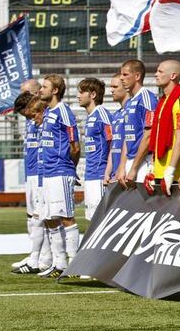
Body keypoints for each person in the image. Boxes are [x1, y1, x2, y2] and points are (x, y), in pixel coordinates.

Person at [36, 74, 81, 278]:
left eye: (44, 87)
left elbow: (75, 145)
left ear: (55, 90)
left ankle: (75, 263)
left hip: (60, 172)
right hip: (47, 174)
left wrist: (69, 167)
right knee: (49, 218)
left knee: (66, 217)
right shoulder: (46, 112)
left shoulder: (64, 111)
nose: (40, 90)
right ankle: (59, 263)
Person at [11, 93, 50, 274]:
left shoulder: (43, 117)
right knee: (34, 218)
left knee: (42, 217)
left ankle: (42, 259)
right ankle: (39, 256)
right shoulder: (31, 121)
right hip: (31, 173)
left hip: (40, 173)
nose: (25, 116)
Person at [146, 60, 180, 196]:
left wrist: (170, 171)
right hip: (159, 173)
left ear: (172, 76)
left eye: (160, 71)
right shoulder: (162, 101)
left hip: (174, 176)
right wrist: (152, 169)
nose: (156, 74)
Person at [116, 59, 158, 188]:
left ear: (137, 76)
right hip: (130, 162)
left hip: (144, 162)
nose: (121, 78)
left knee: (145, 205)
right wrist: (122, 167)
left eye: (125, 74)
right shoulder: (129, 102)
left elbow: (149, 134)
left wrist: (134, 167)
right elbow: (126, 137)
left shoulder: (147, 98)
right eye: (121, 74)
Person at [77, 78, 112, 220]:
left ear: (92, 95)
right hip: (90, 175)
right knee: (92, 219)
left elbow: (113, 143)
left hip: (100, 175)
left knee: (101, 220)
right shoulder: (90, 117)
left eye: (81, 92)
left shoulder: (102, 114)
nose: (78, 96)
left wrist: (108, 172)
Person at [104, 75, 128, 186]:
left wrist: (121, 169)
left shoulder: (132, 111)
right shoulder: (116, 115)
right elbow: (113, 147)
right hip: (115, 175)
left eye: (115, 86)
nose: (111, 90)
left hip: (126, 174)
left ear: (126, 87)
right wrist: (107, 172)